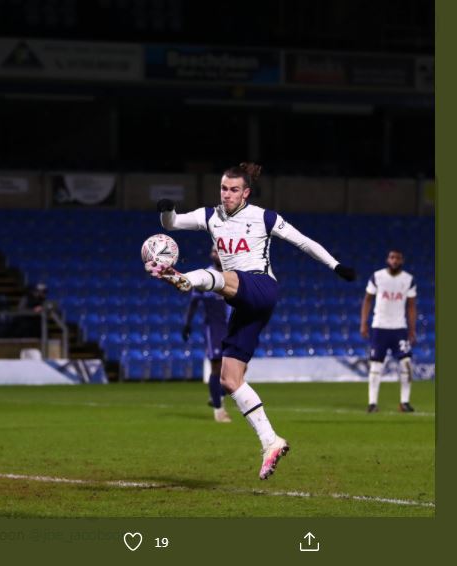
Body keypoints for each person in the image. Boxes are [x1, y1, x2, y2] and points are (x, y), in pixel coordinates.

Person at [148, 162, 356, 480]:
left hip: (260, 287)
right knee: (229, 378)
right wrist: (166, 211)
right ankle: (270, 441)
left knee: (215, 277)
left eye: (233, 190)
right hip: (243, 302)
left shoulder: (263, 217)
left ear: (246, 192)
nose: (227, 194)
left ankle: (183, 280)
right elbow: (172, 223)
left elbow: (303, 241)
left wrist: (336, 265)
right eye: (223, 188)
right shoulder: (210, 216)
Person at [359, 249, 417, 413]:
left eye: (398, 257)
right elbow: (367, 300)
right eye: (392, 257)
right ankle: (372, 403)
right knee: (376, 366)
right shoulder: (377, 276)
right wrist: (363, 323)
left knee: (406, 364)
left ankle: (404, 402)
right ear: (387, 259)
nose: (394, 260)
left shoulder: (408, 280)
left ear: (402, 260)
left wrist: (412, 330)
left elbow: (412, 306)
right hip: (380, 327)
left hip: (400, 328)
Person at [182, 248, 232, 423]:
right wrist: (187, 324)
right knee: (217, 368)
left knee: (239, 368)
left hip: (231, 328)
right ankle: (219, 411)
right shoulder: (206, 275)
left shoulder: (232, 274)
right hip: (214, 328)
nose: (214, 254)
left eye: (218, 251)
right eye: (212, 251)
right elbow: (194, 302)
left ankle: (216, 395)